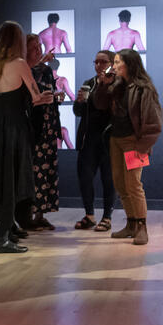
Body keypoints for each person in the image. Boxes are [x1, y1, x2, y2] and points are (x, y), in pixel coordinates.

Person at [0, 21, 50, 253]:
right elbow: (36, 98)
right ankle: (2, 238)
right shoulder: (19, 64)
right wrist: (48, 97)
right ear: (18, 41)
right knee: (11, 181)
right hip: (15, 129)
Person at [99, 48, 162, 245]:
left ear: (130, 64)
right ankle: (131, 224)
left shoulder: (144, 88)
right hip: (115, 141)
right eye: (114, 62)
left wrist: (142, 146)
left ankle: (142, 227)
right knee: (120, 184)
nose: (114, 66)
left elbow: (154, 123)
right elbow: (100, 104)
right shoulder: (117, 85)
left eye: (118, 62)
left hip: (134, 142)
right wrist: (103, 84)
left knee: (134, 185)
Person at [71, 50, 116, 233]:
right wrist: (80, 102)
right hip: (88, 138)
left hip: (109, 138)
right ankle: (89, 215)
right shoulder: (88, 83)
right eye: (96, 62)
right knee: (85, 177)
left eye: (103, 62)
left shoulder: (117, 84)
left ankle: (107, 217)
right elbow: (78, 112)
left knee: (109, 178)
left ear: (112, 64)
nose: (98, 65)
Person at [25, 33, 63, 231]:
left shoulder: (46, 71)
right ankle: (26, 216)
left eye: (39, 46)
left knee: (47, 173)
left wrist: (56, 97)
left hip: (48, 129)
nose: (39, 50)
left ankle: (40, 215)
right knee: (32, 173)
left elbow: (48, 93)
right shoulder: (24, 70)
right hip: (33, 130)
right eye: (34, 47)